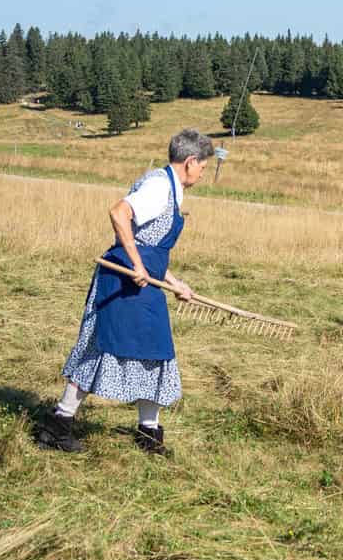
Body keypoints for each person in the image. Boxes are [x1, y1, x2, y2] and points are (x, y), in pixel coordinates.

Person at [35, 128, 214, 457]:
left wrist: (174, 282)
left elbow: (147, 246)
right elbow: (119, 214)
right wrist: (136, 265)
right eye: (203, 166)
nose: (203, 172)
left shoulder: (169, 189)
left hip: (140, 278)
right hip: (122, 280)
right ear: (190, 161)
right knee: (100, 349)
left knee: (155, 351)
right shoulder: (159, 187)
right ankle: (56, 426)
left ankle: (148, 432)